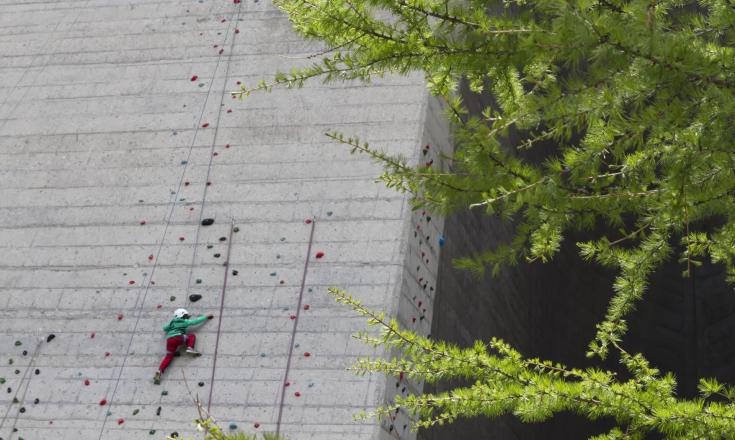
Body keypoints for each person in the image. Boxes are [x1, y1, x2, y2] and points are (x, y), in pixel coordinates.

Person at [154, 308, 213, 384]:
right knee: (191, 336)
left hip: (169, 340)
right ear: (182, 316)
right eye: (185, 316)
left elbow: (165, 328)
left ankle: (159, 371)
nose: (186, 318)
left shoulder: (172, 323)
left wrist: (170, 327)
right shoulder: (184, 321)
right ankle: (190, 348)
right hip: (178, 338)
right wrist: (205, 317)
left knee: (168, 356)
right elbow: (195, 321)